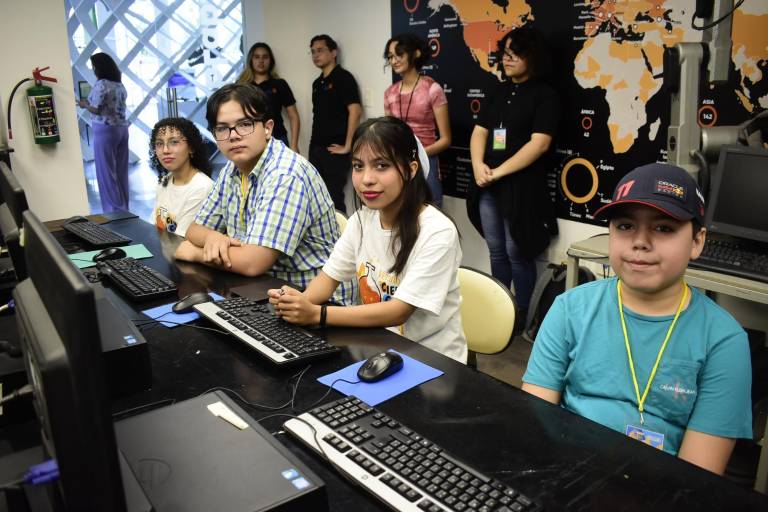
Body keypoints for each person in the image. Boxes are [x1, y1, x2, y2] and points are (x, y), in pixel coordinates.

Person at [522, 163, 753, 475]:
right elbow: (535, 426)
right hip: (565, 474)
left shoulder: (723, 341)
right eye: (625, 226)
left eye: (664, 228)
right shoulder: (569, 309)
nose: (640, 241)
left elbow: (697, 478)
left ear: (697, 241)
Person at [267, 117, 467, 364]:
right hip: (379, 348)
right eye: (358, 166)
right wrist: (296, 304)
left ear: (411, 169)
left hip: (432, 360)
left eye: (381, 166)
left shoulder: (437, 232)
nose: (366, 179)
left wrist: (317, 315)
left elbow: (398, 312)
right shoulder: (361, 221)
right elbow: (327, 279)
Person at [174, 83, 354, 305]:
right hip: (263, 289)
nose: (234, 136)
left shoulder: (286, 174)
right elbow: (195, 229)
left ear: (267, 128)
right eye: (222, 128)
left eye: (245, 124)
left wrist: (196, 253)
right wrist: (213, 237)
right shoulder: (232, 169)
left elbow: (252, 262)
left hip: (314, 301)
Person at [467, 26, 559, 314]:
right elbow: (479, 132)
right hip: (488, 183)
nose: (507, 60)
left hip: (521, 186)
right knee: (496, 249)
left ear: (532, 57)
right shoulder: (500, 90)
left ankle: (522, 314)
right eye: (505, 53)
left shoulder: (545, 95)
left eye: (514, 54)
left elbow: (540, 144)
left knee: (516, 250)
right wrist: (479, 166)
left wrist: (499, 171)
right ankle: (498, 310)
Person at [384, 33, 451, 207]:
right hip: (398, 163)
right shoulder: (389, 93)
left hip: (427, 162)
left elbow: (446, 140)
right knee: (401, 216)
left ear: (415, 54)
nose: (394, 60)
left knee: (431, 216)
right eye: (390, 56)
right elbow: (388, 134)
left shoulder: (432, 89)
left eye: (399, 54)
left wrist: (418, 154)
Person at [308, 34, 362, 214]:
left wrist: (348, 145)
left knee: (333, 199)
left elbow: (355, 110)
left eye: (321, 50)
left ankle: (340, 241)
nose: (316, 55)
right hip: (316, 148)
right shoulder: (317, 83)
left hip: (335, 149)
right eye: (313, 52)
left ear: (333, 52)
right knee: (315, 197)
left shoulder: (343, 78)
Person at [78, 53, 130, 213]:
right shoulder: (119, 84)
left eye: (93, 66)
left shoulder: (102, 84)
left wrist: (84, 105)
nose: (93, 69)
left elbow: (98, 109)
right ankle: (124, 208)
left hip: (105, 130)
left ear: (99, 67)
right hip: (122, 129)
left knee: (106, 171)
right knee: (121, 170)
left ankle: (114, 209)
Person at [148, 117, 214, 237]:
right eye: (159, 144)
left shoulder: (202, 188)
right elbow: (153, 225)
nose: (165, 150)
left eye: (174, 142)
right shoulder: (165, 180)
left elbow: (179, 239)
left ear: (191, 147)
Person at [237, 42, 301, 153]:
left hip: (278, 138)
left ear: (270, 60)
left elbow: (293, 116)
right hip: (249, 140)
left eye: (265, 57)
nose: (261, 61)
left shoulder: (280, 84)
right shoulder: (242, 86)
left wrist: (294, 145)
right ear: (251, 60)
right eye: (257, 57)